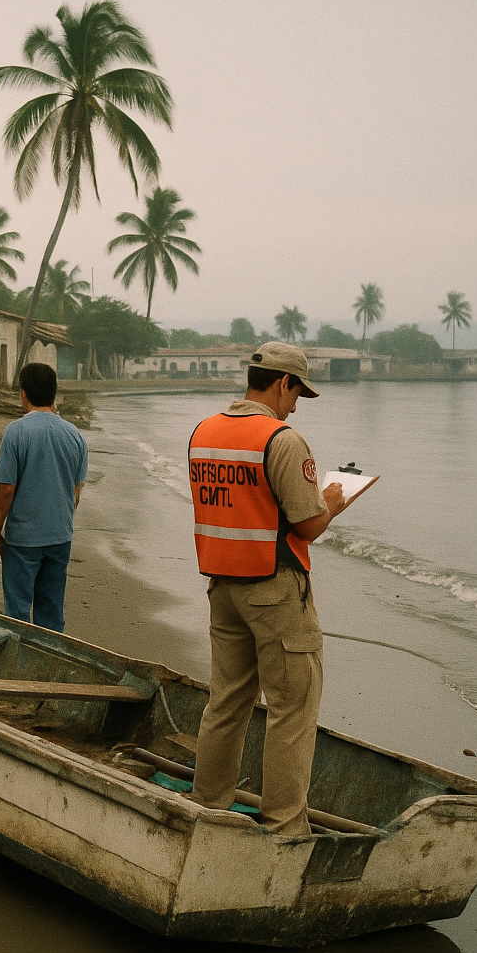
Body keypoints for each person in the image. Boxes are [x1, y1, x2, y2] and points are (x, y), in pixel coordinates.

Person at [186, 341, 349, 836]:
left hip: (222, 585)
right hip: (275, 589)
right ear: (283, 383)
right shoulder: (282, 440)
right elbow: (307, 525)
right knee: (292, 706)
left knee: (227, 702)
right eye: (297, 392)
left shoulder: (203, 432)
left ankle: (208, 809)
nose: (297, 404)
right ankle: (284, 826)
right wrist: (335, 502)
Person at [0, 362, 89, 632]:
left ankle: (20, 663)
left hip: (24, 538)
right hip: (60, 536)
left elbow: (7, 489)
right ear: (54, 393)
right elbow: (76, 490)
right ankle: (50, 662)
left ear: (23, 392)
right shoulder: (74, 435)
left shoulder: (16, 432)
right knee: (52, 610)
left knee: (18, 610)